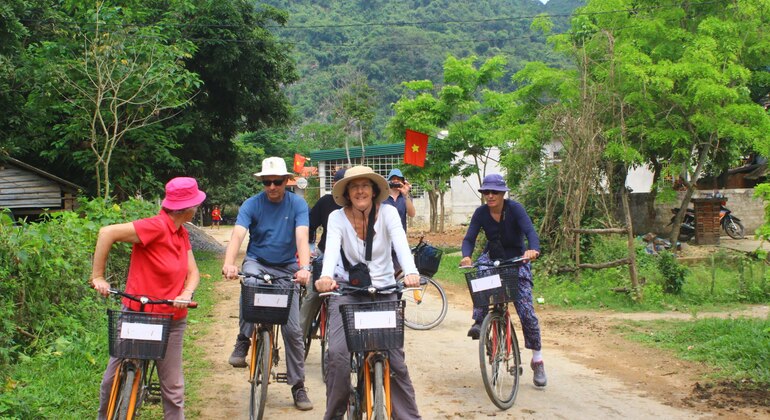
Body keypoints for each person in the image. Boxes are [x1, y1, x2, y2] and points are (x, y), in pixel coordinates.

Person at [91, 177, 206, 419]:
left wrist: (186, 293)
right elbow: (106, 232)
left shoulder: (181, 233)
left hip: (171, 320)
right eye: (195, 204)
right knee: (110, 381)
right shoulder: (155, 226)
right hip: (137, 314)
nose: (197, 208)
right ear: (186, 208)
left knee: (173, 388)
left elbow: (192, 272)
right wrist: (98, 276)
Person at [315, 166, 422, 420]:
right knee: (337, 357)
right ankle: (334, 415)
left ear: (374, 191)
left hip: (384, 291)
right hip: (348, 292)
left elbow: (401, 245)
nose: (360, 190)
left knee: (396, 362)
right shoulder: (337, 218)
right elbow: (330, 251)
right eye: (354, 186)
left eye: (365, 185)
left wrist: (411, 272)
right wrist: (325, 277)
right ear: (347, 193)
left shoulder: (389, 214)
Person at [221, 156, 313, 411]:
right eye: (267, 182)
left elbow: (302, 238)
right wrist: (229, 263)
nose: (272, 187)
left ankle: (298, 385)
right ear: (262, 182)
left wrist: (304, 268)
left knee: (293, 331)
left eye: (277, 182)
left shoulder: (297, 205)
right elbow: (238, 234)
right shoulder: (251, 204)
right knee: (249, 284)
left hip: (287, 266)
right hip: (257, 261)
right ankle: (243, 338)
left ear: (286, 181)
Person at [459, 173, 547, 388]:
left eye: (494, 192)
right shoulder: (481, 213)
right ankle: (479, 322)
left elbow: (530, 232)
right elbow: (469, 238)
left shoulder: (515, 209)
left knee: (527, 312)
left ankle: (537, 359)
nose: (490, 196)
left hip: (517, 259)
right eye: (486, 192)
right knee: (479, 275)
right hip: (493, 257)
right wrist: (466, 255)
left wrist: (533, 250)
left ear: (502, 193)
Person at [300, 167, 346, 341]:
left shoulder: (357, 203)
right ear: (334, 184)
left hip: (350, 260)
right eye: (338, 184)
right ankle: (299, 337)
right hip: (325, 252)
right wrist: (309, 246)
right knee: (313, 294)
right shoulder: (325, 202)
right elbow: (310, 224)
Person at [383, 168, 415, 232]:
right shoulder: (383, 196)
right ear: (389, 181)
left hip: (400, 234)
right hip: (384, 236)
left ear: (403, 182)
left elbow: (411, 214)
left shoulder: (405, 197)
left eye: (398, 179)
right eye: (393, 178)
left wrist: (406, 194)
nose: (396, 181)